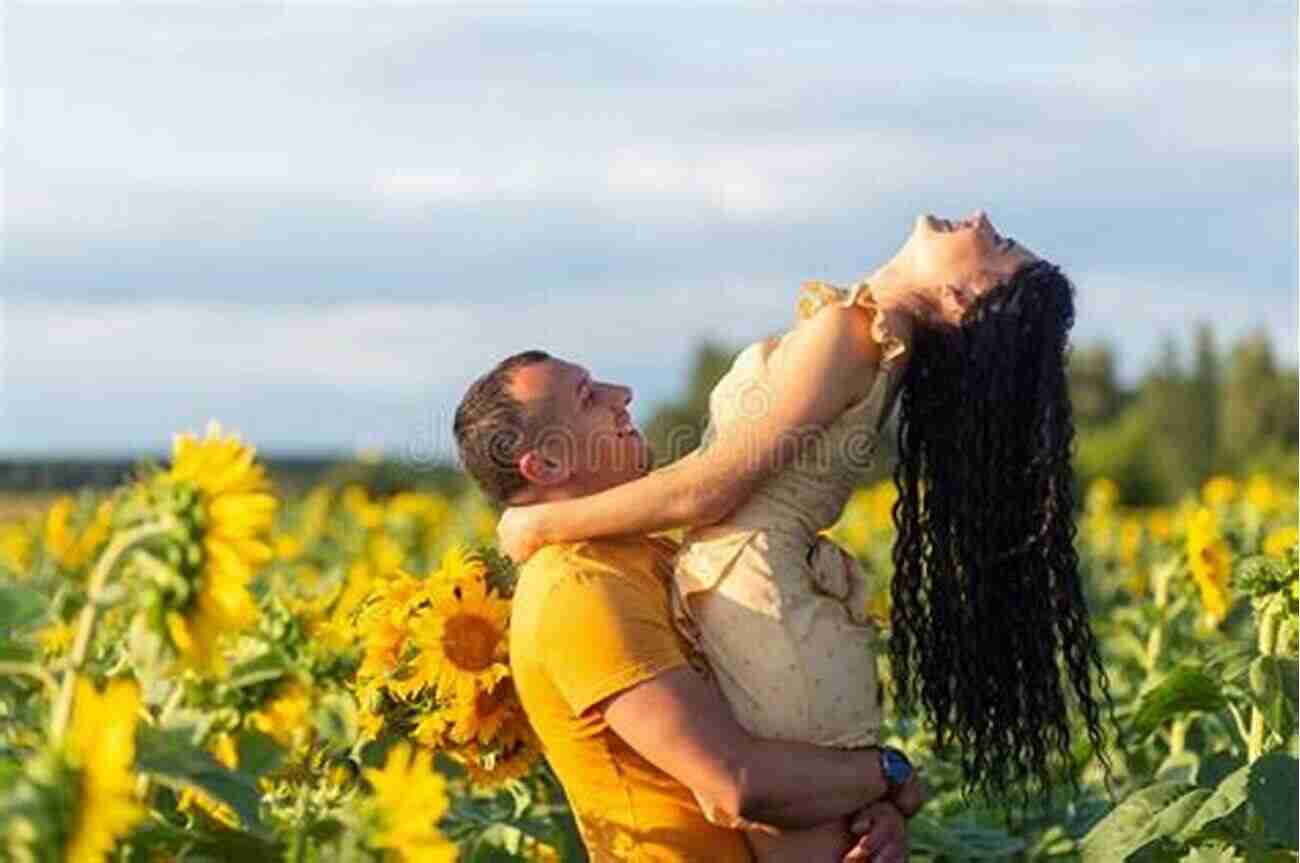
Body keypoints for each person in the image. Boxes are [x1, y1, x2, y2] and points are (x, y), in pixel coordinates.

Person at [495, 211, 1115, 843]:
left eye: (999, 243)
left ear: (962, 299)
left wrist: (542, 522)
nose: (982, 219)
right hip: (760, 597)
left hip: (763, 606)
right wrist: (883, 788)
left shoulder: (851, 336)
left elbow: (711, 487)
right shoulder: (866, 333)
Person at [455, 351, 925, 863]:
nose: (623, 394)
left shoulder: (645, 552)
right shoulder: (577, 590)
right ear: (545, 464)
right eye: (589, 396)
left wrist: (865, 817)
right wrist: (886, 773)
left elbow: (772, 717)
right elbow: (736, 781)